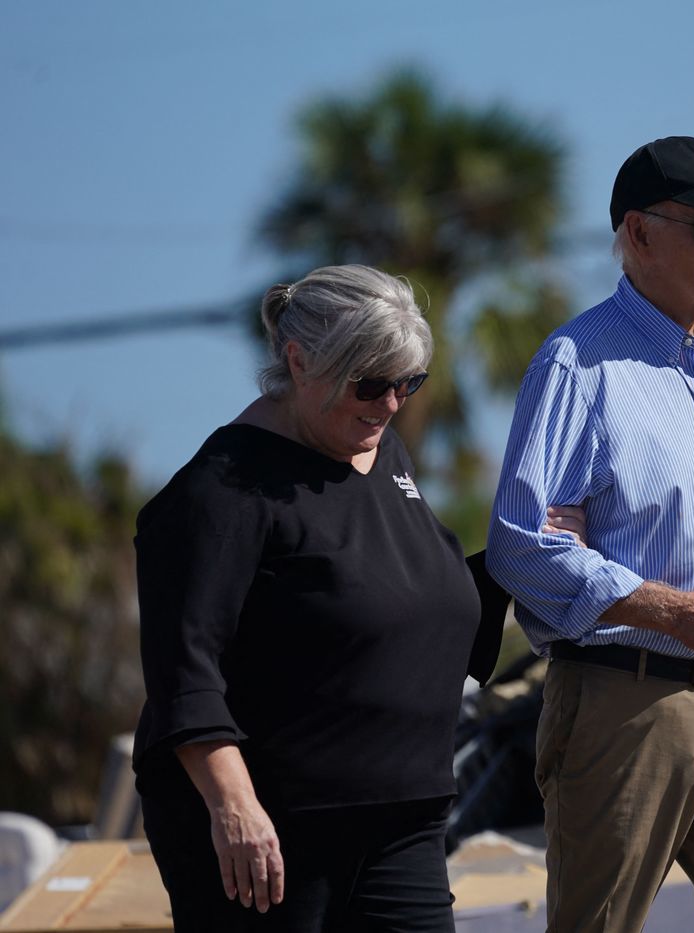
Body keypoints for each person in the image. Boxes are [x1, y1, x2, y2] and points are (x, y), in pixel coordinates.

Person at [132, 264, 584, 932]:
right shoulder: (220, 494)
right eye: (371, 382)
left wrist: (518, 558)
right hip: (277, 835)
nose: (392, 401)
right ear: (299, 361)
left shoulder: (381, 452)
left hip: (406, 817)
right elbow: (184, 670)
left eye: (409, 382)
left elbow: (410, 598)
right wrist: (235, 806)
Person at [486, 135, 694, 933]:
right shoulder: (577, 363)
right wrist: (663, 608)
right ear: (638, 233)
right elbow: (521, 545)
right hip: (623, 707)